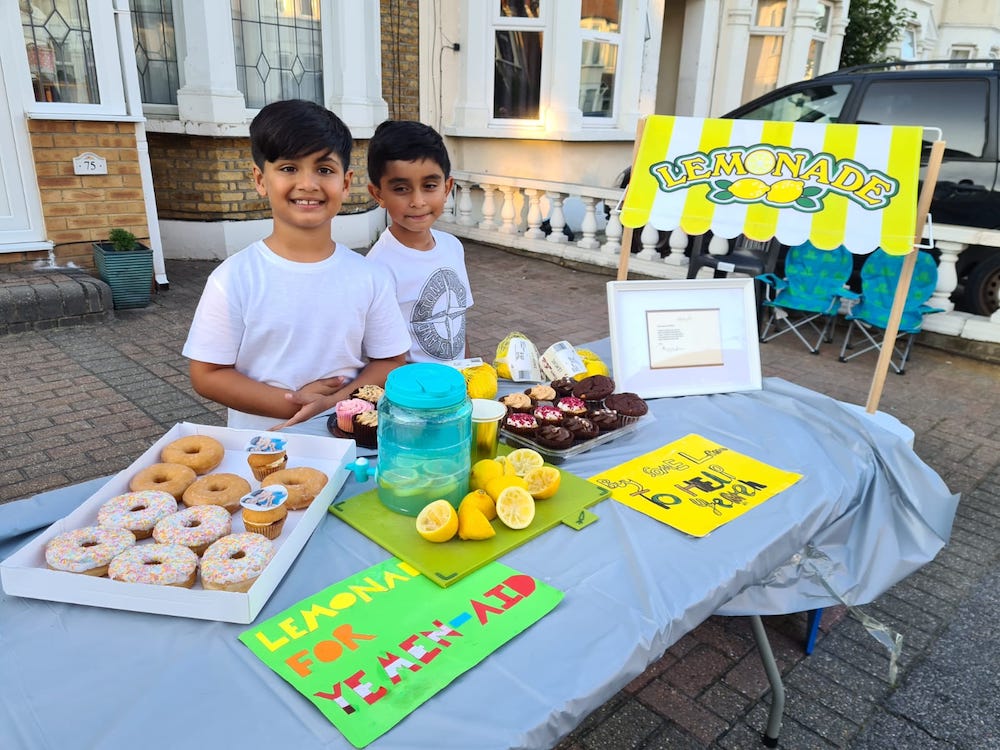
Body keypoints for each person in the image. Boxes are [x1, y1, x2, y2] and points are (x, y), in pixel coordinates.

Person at [183, 99, 410, 430]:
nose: (308, 184)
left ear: (345, 183)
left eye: (324, 169)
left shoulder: (370, 277)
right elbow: (207, 375)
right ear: (261, 180)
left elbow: (390, 360)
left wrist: (334, 403)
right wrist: (293, 405)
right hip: (262, 449)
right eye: (289, 168)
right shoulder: (233, 278)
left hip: (348, 445)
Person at [365, 120, 474, 363]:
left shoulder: (453, 246)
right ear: (378, 195)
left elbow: (458, 321)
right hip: (417, 396)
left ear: (447, 188)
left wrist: (470, 373)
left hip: (458, 386)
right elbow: (385, 356)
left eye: (429, 186)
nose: (418, 201)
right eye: (402, 189)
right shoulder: (377, 268)